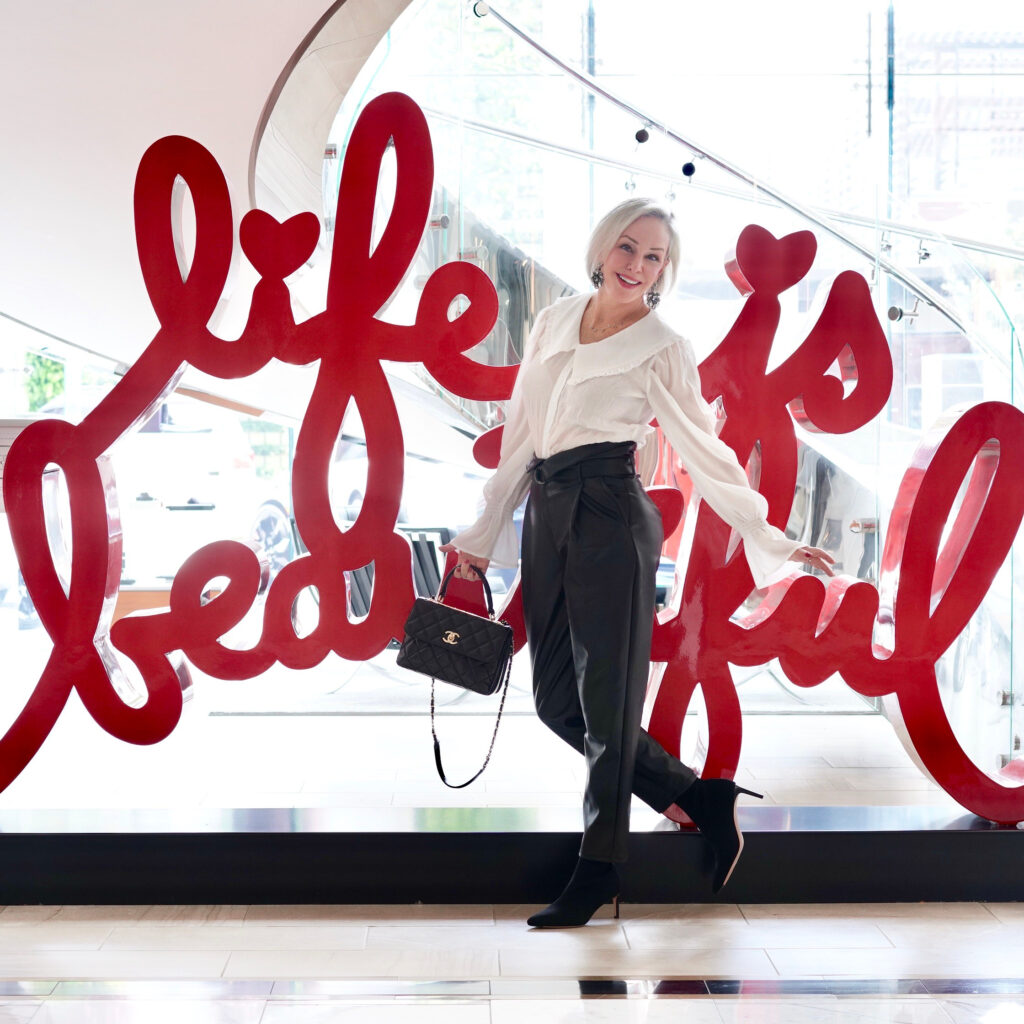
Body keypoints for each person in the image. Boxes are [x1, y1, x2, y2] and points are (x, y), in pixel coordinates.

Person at [439, 198, 833, 928]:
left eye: (654, 258)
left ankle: (601, 867)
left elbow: (704, 448)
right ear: (603, 246)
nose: (637, 265)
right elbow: (521, 431)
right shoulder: (556, 318)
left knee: (610, 702)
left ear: (664, 273)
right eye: (628, 247)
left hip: (611, 513)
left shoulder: (661, 345)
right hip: (547, 506)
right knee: (559, 700)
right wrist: (483, 527)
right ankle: (701, 795)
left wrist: (767, 532)